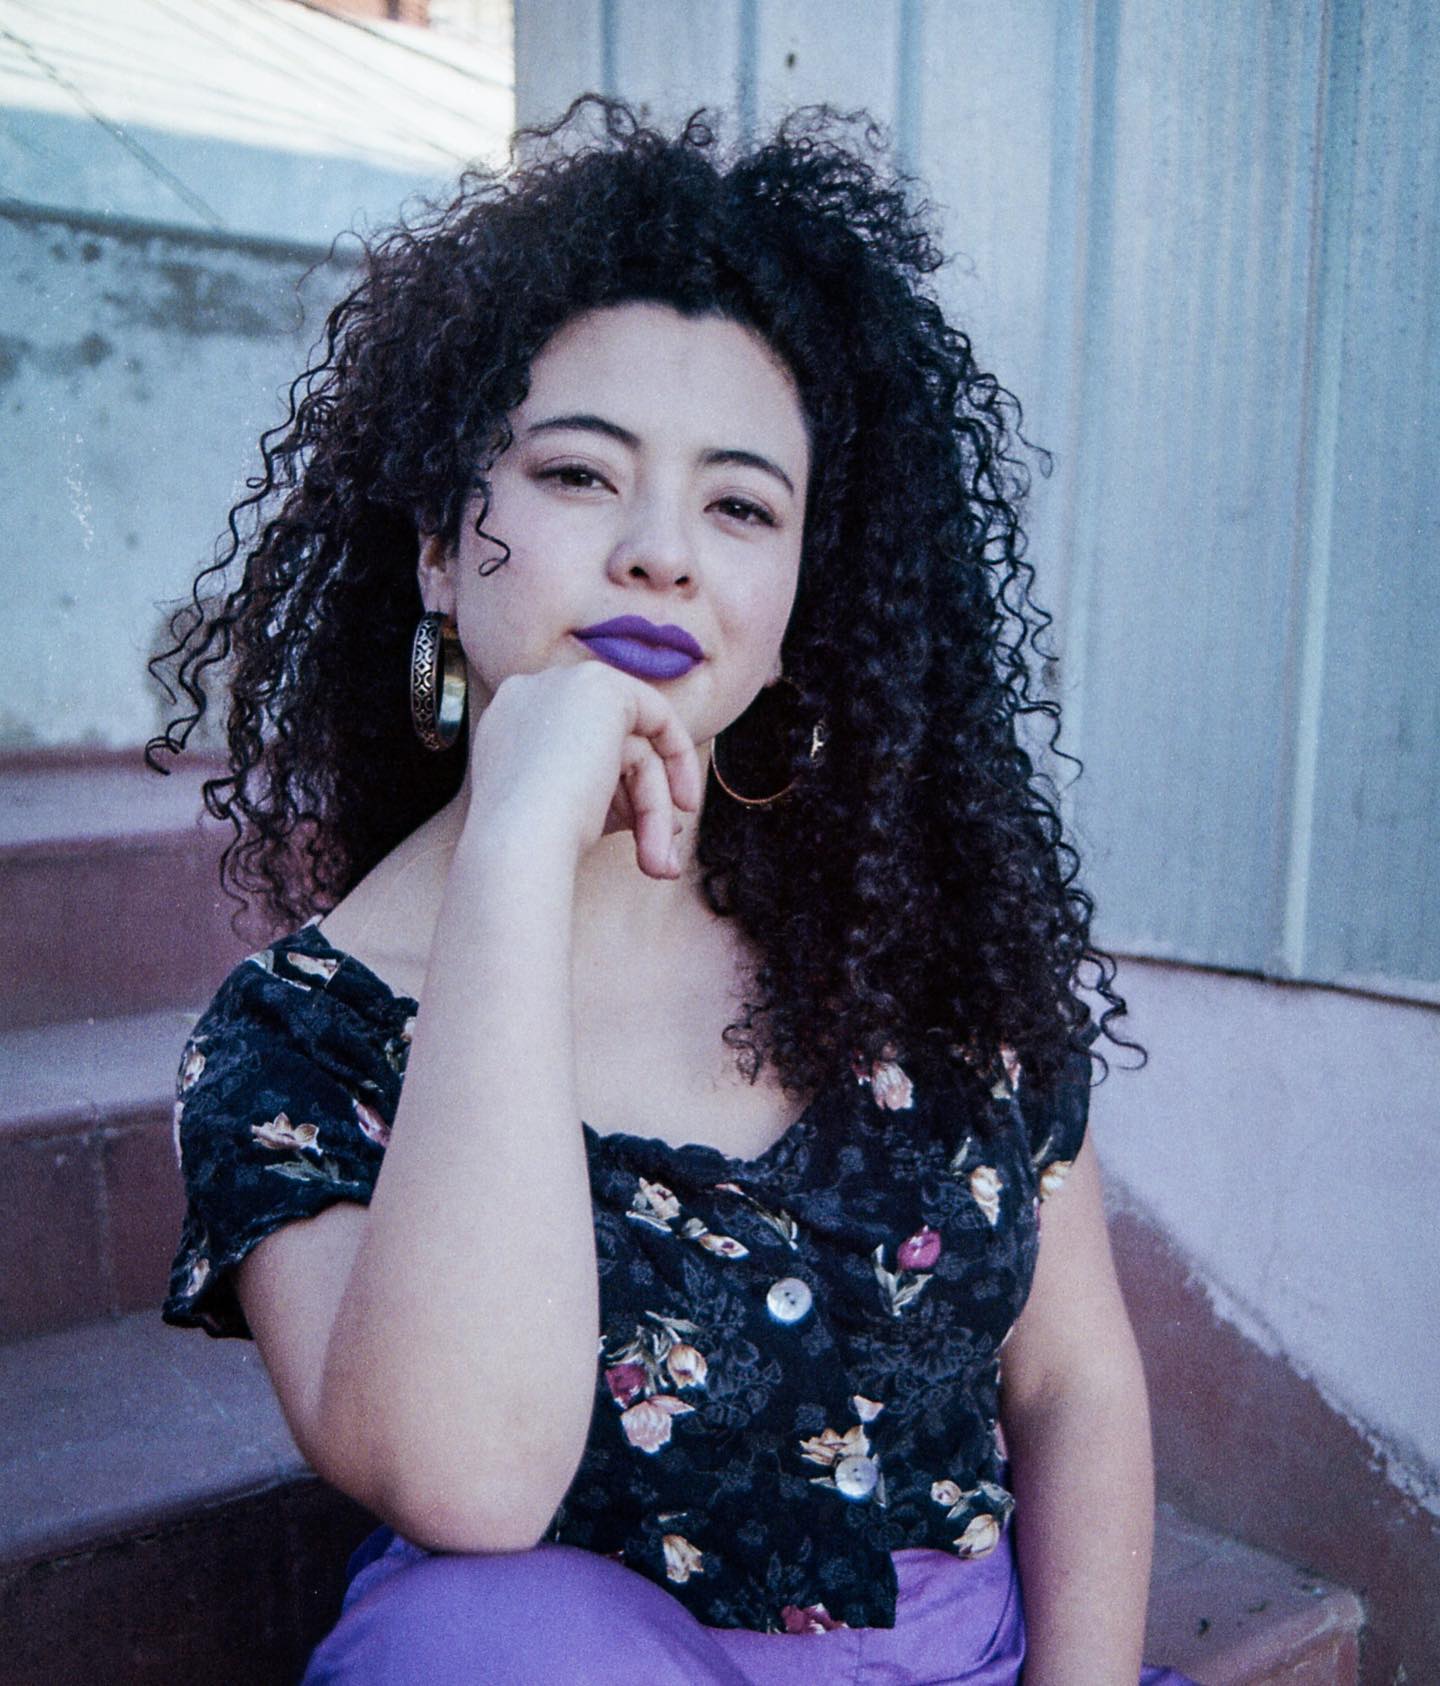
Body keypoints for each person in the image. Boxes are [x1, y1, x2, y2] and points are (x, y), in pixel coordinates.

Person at [151, 98, 1195, 1684]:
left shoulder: (919, 930)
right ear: (439, 546)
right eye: (580, 474)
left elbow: (1073, 1383)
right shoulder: (300, 1039)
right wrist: (514, 850)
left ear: (797, 592)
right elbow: (466, 1479)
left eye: (740, 505)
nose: (661, 554)